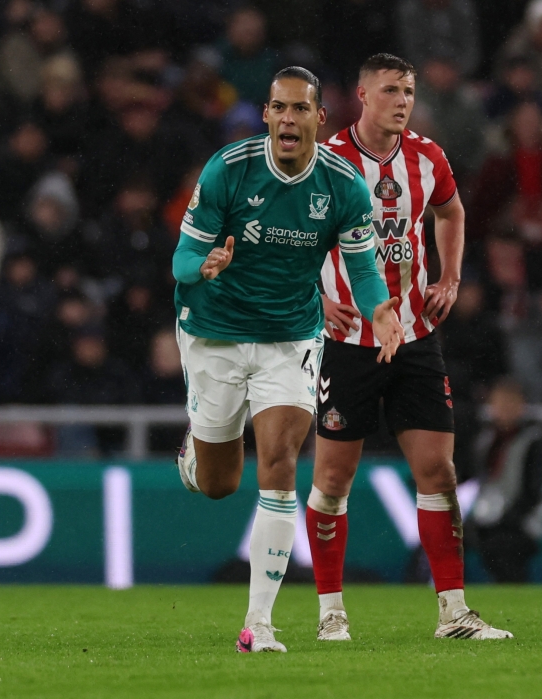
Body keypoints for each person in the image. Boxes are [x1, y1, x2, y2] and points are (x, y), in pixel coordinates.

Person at [172, 67, 401, 654]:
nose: (289, 119)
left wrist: (380, 311)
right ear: (267, 114)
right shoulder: (230, 168)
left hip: (290, 337)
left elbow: (365, 267)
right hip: (216, 331)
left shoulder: (344, 185)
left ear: (319, 118)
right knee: (220, 483)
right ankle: (195, 454)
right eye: (280, 108)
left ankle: (259, 626)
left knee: (278, 461)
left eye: (301, 109)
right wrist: (206, 266)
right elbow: (179, 261)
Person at [311, 53, 511, 642]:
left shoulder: (429, 156)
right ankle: (331, 613)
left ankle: (453, 610)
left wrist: (449, 276)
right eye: (392, 90)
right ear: (363, 95)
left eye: (410, 91)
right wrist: (314, 297)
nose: (403, 101)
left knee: (438, 472)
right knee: (332, 481)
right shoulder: (330, 163)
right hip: (347, 339)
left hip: (416, 337)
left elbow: (450, 210)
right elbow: (296, 235)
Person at [469, 378, 542, 583]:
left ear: (521, 406)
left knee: (503, 549)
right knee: (446, 542)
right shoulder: (485, 440)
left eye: (510, 403)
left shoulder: (533, 441)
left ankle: (515, 593)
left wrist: (505, 519)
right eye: (499, 403)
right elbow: (471, 477)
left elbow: (532, 492)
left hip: (521, 523)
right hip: (486, 516)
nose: (504, 410)